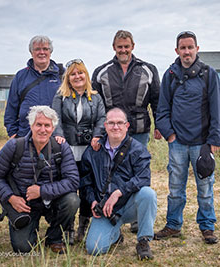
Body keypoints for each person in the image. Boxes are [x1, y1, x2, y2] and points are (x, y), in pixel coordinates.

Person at [155, 31, 220, 244]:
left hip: (202, 144)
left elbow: (217, 109)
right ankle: (173, 225)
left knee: (205, 189)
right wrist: (170, 135)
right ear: (177, 51)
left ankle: (207, 226)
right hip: (177, 144)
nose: (186, 52)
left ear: (197, 49)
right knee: (175, 189)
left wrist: (214, 140)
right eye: (182, 48)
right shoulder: (170, 75)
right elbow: (162, 109)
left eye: (190, 47)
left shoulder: (209, 74)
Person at [91, 29, 161, 233]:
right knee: (112, 172)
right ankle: (113, 210)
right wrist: (98, 132)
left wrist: (159, 125)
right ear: (114, 48)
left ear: (133, 47)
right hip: (111, 130)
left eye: (126, 46)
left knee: (137, 171)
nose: (123, 50)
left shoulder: (148, 69)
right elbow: (96, 105)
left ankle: (138, 217)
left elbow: (156, 99)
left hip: (139, 129)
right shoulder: (101, 71)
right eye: (119, 46)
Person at [0, 105, 80, 254]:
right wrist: (11, 198)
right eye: (38, 124)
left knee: (72, 200)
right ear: (31, 125)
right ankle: (30, 227)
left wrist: (42, 191)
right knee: (23, 248)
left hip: (52, 201)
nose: (42, 129)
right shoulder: (14, 146)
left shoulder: (61, 148)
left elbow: (73, 180)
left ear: (53, 128)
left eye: (47, 125)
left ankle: (55, 238)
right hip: (24, 205)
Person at [80, 107, 157, 260]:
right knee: (94, 249)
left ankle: (143, 241)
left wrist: (119, 192)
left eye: (120, 123)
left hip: (128, 204)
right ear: (105, 125)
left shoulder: (138, 149)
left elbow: (144, 178)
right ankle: (115, 234)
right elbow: (85, 182)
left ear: (126, 126)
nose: (116, 127)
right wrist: (93, 201)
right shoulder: (93, 150)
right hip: (106, 209)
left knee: (148, 194)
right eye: (112, 123)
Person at [52, 58, 106, 243]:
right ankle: (67, 227)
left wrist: (98, 135)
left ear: (86, 75)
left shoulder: (96, 97)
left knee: (86, 188)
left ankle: (84, 224)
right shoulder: (60, 96)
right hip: (67, 149)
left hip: (89, 150)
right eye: (73, 74)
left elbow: (101, 118)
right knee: (68, 188)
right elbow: (55, 118)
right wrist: (58, 135)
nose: (77, 76)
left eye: (80, 72)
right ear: (68, 77)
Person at [4, 35, 63, 138]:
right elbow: (11, 108)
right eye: (37, 49)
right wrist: (13, 134)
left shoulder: (61, 76)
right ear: (31, 52)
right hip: (25, 136)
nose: (42, 52)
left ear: (50, 52)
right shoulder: (20, 76)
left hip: (55, 137)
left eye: (45, 49)